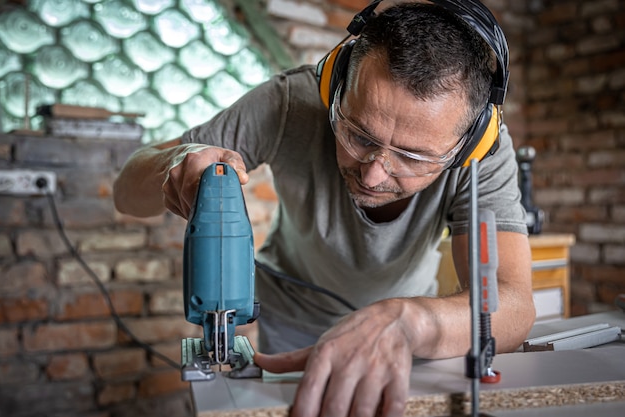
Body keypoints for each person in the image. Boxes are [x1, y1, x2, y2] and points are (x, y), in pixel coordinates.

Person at [113, 1, 535, 416]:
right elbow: (126, 192)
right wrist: (177, 163)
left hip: (407, 332)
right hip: (291, 323)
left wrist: (411, 323)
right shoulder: (289, 103)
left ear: (470, 142)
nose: (373, 175)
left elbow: (513, 307)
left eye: (413, 158)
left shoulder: (484, 154)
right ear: (333, 86)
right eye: (359, 135)